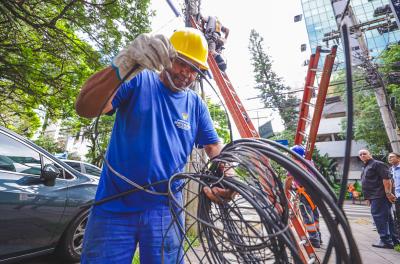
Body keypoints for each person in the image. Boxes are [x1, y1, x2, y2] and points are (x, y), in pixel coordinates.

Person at [75, 28, 235, 263]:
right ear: (167, 56)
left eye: (194, 69)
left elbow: (213, 146)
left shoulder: (195, 105)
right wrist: (123, 65)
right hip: (115, 202)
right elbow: (85, 108)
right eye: (182, 62)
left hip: (165, 207)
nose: (187, 73)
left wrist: (228, 175)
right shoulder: (139, 79)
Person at [359, 149, 399, 249]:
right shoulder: (366, 166)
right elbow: (366, 183)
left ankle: (385, 240)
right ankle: (394, 240)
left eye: (365, 153)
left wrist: (388, 193)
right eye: (361, 154)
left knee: (379, 218)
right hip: (374, 196)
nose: (363, 155)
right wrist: (367, 198)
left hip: (380, 196)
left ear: (370, 154)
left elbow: (387, 179)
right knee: (387, 219)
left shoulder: (377, 164)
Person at [285, 145, 321, 248]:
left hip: (304, 194)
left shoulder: (294, 163)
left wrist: (285, 191)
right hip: (314, 192)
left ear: (293, 155)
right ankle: (318, 237)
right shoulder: (309, 162)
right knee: (314, 215)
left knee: (307, 217)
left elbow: (288, 180)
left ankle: (314, 240)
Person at [388, 152, 400, 237]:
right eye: (389, 157)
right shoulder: (390, 170)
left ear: (398, 158)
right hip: (396, 196)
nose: (390, 158)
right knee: (397, 216)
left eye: (392, 157)